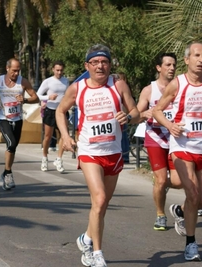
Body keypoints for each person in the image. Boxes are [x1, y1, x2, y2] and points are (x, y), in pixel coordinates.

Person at [55, 44, 139, 267]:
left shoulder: (118, 85)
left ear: (110, 65)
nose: (100, 66)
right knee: (99, 199)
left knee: (101, 205)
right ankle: (97, 253)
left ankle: (86, 238)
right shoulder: (78, 88)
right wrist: (65, 136)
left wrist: (128, 118)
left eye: (104, 62)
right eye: (95, 62)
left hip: (113, 152)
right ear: (87, 66)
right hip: (89, 152)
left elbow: (136, 112)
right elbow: (60, 110)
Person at [153, 42, 202, 262]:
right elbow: (157, 110)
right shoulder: (178, 84)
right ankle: (191, 244)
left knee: (198, 198)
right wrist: (170, 126)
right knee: (193, 193)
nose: (201, 60)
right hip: (182, 146)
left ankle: (181, 212)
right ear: (187, 60)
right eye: (197, 55)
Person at [136, 53, 185, 234]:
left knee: (179, 181)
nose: (171, 68)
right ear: (159, 68)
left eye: (174, 65)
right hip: (155, 138)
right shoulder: (149, 90)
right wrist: (144, 114)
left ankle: (161, 187)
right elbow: (136, 114)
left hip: (175, 139)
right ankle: (160, 214)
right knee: (162, 178)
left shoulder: (180, 87)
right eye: (167, 65)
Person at [0, 58, 39, 190]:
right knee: (11, 143)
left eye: (18, 71)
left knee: (12, 147)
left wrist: (24, 100)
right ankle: (8, 173)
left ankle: (6, 172)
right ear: (7, 68)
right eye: (14, 71)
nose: (16, 73)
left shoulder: (23, 82)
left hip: (17, 118)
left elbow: (35, 97)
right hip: (3, 118)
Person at [37, 60, 69, 173]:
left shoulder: (66, 81)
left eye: (61, 70)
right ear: (53, 70)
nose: (59, 72)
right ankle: (44, 158)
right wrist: (48, 97)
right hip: (50, 110)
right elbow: (38, 95)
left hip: (62, 111)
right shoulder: (48, 81)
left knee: (63, 136)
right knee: (47, 136)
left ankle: (59, 159)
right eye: (57, 70)